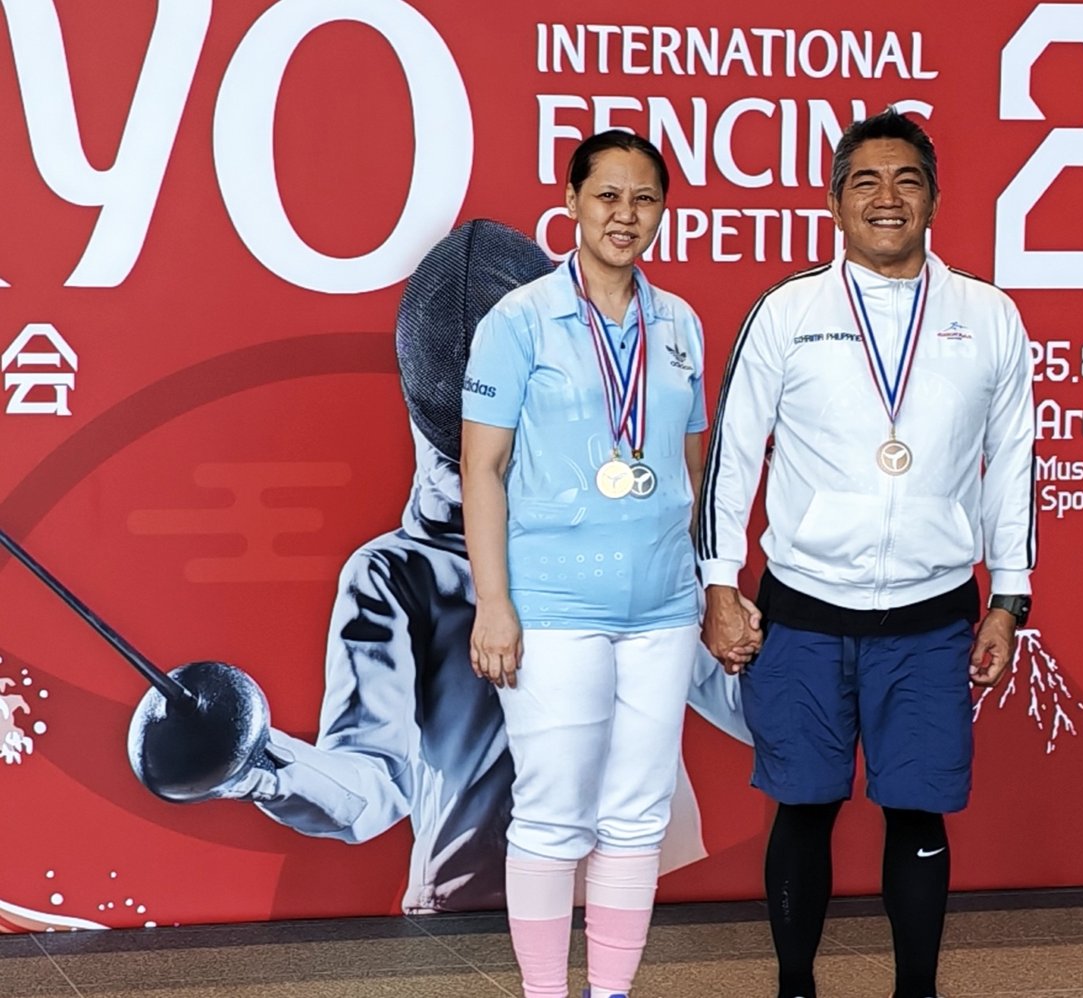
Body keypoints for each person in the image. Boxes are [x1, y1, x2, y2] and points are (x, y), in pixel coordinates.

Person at [208, 219, 748, 914]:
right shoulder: (398, 577)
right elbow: (374, 783)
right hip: (475, 911)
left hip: (637, 883)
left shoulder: (630, 523)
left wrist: (814, 637)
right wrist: (253, 762)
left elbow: (747, 705)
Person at [698, 109, 1038, 998]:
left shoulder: (989, 317)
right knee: (804, 807)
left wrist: (1010, 599)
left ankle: (916, 992)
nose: (888, 198)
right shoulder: (789, 311)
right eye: (866, 182)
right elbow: (734, 455)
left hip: (931, 618)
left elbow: (1014, 464)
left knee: (918, 812)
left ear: (935, 198)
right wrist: (718, 583)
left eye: (907, 180)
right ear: (835, 201)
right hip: (804, 611)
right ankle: (795, 989)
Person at [461, 132, 746, 998]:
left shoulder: (680, 325)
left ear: (663, 211)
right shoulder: (518, 322)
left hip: (661, 608)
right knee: (553, 815)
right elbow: (482, 469)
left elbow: (694, 469)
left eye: (644, 199)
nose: (627, 216)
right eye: (608, 196)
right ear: (573, 204)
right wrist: (493, 603)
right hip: (552, 606)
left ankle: (612, 992)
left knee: (637, 817)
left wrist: (713, 583)